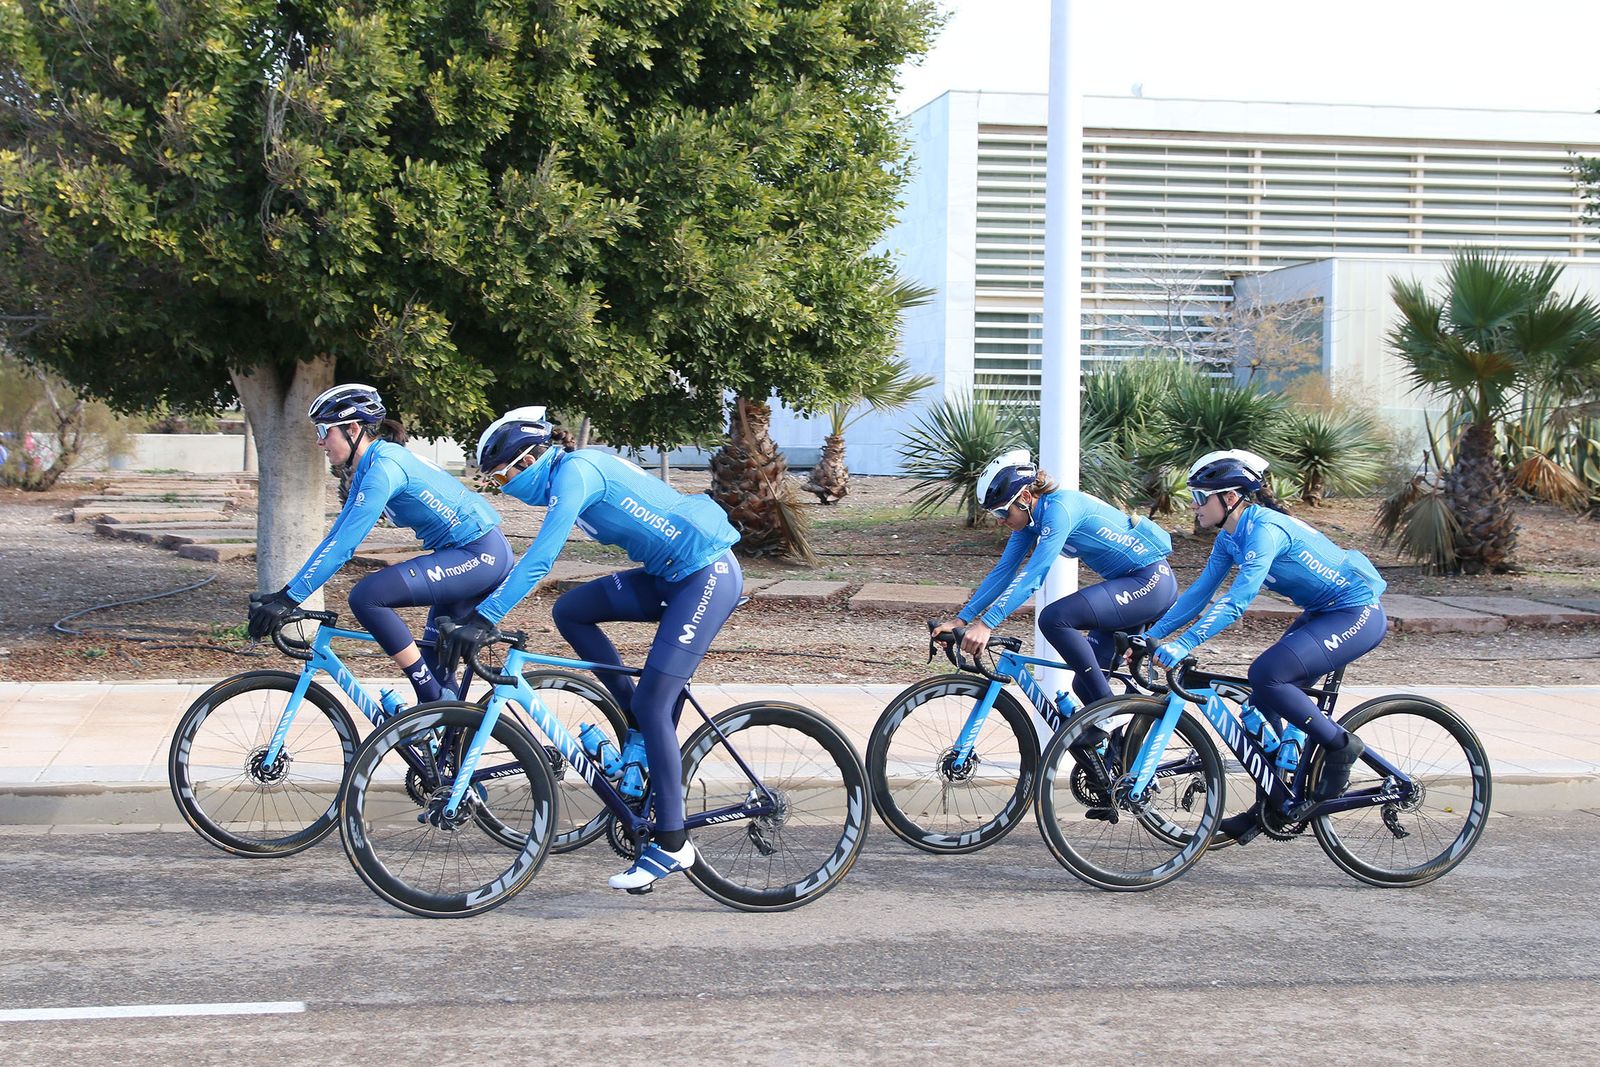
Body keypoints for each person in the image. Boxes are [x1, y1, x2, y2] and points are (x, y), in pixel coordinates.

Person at [441, 407, 742, 892]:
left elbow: (540, 559)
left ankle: (672, 843)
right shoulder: (568, 474)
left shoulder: (576, 474)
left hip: (707, 575)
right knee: (572, 611)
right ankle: (639, 721)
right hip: (669, 575)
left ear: (531, 458)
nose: (503, 487)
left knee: (654, 701)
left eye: (503, 476)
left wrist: (485, 617)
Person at [1147, 449, 1388, 841]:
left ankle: (1341, 746)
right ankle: (1271, 804)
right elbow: (1198, 595)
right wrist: (1154, 635)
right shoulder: (1231, 537)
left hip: (1356, 612)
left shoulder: (1264, 531)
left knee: (1267, 674)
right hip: (1323, 611)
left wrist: (1186, 642)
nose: (1193, 506)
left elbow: (1238, 601)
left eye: (1200, 497)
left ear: (1230, 498)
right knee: (1257, 705)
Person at [246, 384, 511, 710]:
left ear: (352, 429)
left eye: (323, 431)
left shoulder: (384, 469)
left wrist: (289, 599)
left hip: (478, 555)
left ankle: (431, 701)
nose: (319, 441)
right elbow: (334, 539)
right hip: (468, 554)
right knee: (434, 662)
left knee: (367, 597)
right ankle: (449, 741)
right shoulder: (371, 465)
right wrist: (285, 595)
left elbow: (345, 548)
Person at [933, 449, 1177, 709]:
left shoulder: (1060, 509)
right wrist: (962, 619)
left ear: (1026, 497)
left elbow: (1034, 575)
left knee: (1054, 618)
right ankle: (1112, 741)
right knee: (1084, 685)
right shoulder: (1030, 521)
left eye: (1003, 513)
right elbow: (1004, 572)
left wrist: (987, 624)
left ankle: (1107, 712)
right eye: (996, 515)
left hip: (1150, 582)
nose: (1001, 521)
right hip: (1130, 587)